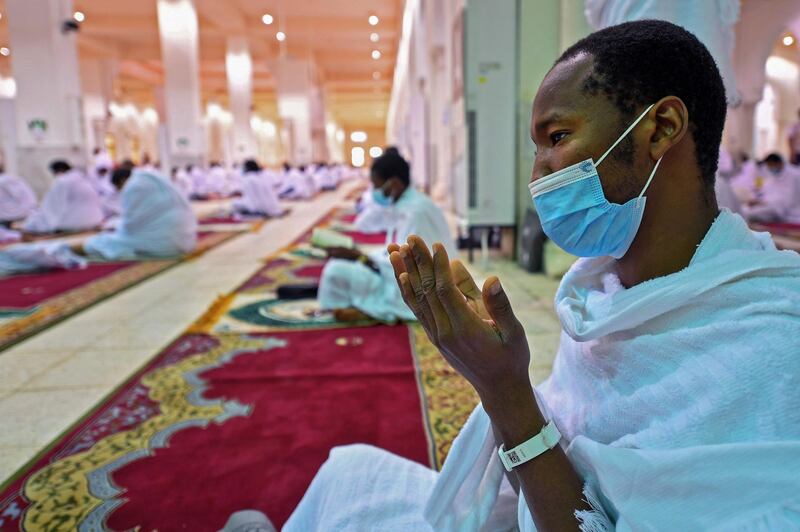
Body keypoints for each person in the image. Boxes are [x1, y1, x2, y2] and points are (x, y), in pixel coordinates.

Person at [286, 20, 800, 531]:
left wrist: (505, 390)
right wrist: (500, 379)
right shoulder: (598, 289)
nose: (538, 176)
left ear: (661, 127)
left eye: (557, 137)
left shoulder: (771, 346)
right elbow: (566, 460)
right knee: (347, 471)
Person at [316, 150, 456, 323]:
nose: (375, 191)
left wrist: (362, 258)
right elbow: (397, 249)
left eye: (377, 186)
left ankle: (365, 310)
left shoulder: (415, 212)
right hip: (402, 275)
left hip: (425, 288)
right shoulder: (409, 204)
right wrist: (361, 255)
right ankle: (357, 307)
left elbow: (413, 266)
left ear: (394, 183)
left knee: (335, 271)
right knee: (339, 265)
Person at [77, 167, 197, 259]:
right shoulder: (150, 176)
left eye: (118, 187)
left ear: (122, 180)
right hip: (186, 240)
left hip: (166, 244)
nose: (120, 191)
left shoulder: (134, 186)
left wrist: (114, 226)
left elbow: (131, 226)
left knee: (100, 242)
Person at [22, 160, 104, 234]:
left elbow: (51, 208)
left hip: (76, 225)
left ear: (58, 171)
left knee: (34, 224)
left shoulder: (63, 181)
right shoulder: (84, 180)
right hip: (95, 221)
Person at [732, 153, 800, 223]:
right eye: (768, 166)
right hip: (772, 206)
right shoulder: (774, 175)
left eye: (771, 165)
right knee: (745, 209)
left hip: (790, 212)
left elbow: (787, 200)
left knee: (749, 213)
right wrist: (759, 200)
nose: (770, 168)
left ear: (778, 163)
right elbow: (768, 191)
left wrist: (765, 202)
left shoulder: (794, 175)